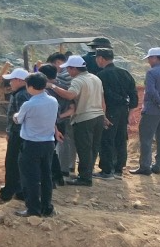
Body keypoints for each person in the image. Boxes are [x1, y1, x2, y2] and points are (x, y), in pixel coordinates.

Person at [49, 55, 105, 185]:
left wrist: (52, 87)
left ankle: (85, 178)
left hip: (84, 118)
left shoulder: (77, 81)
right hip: (98, 116)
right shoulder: (95, 78)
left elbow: (70, 95)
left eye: (68, 69)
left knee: (84, 148)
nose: (67, 72)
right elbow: (102, 99)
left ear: (74, 68)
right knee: (93, 148)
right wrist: (104, 115)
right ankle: (87, 173)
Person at [14, 72, 59, 217]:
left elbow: (18, 120)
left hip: (31, 144)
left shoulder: (29, 104)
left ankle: (33, 209)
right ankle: (47, 207)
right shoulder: (53, 101)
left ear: (31, 87)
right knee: (46, 176)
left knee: (30, 178)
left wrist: (15, 115)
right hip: (48, 143)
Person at [95, 49, 138, 177]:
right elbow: (134, 96)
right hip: (124, 110)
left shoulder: (101, 75)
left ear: (101, 59)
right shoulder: (125, 73)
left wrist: (103, 114)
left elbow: (103, 96)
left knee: (107, 139)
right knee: (121, 138)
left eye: (97, 58)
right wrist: (130, 113)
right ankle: (119, 168)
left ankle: (107, 170)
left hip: (109, 110)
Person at [0, 68, 30, 204]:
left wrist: (11, 132)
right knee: (20, 163)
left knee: (12, 164)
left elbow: (20, 118)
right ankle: (19, 191)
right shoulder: (25, 93)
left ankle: (7, 193)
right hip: (23, 134)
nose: (10, 83)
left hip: (18, 134)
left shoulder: (21, 95)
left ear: (19, 80)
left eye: (12, 80)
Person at [131, 47, 160, 175]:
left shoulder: (152, 72)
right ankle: (158, 165)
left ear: (154, 58)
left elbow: (151, 91)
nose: (148, 61)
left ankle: (145, 167)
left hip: (152, 110)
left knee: (146, 139)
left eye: (149, 58)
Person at [47, 52, 77, 179]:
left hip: (58, 120)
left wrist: (57, 118)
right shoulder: (64, 81)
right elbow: (72, 107)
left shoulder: (58, 83)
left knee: (58, 145)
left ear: (58, 62)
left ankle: (59, 172)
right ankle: (66, 169)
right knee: (66, 142)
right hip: (65, 116)